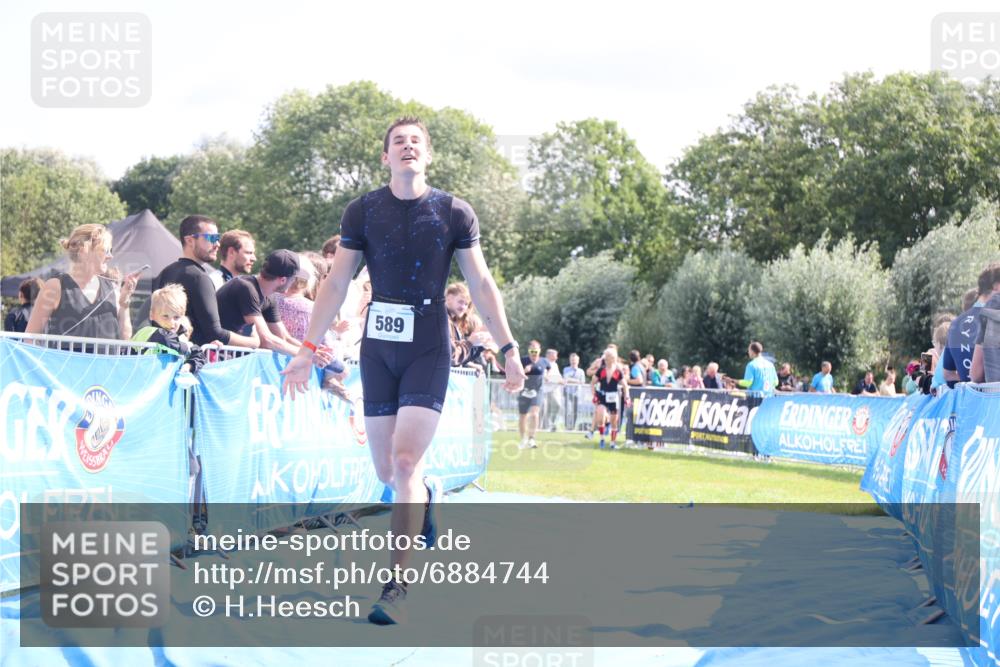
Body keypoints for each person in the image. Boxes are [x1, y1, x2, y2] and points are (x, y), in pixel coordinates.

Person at [280, 117, 525, 626]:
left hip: (428, 347)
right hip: (379, 349)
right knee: (387, 473)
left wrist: (508, 347)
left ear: (428, 155)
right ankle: (429, 495)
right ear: (385, 157)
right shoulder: (363, 210)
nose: (407, 146)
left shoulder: (454, 211)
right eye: (398, 142)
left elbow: (481, 283)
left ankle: (396, 584)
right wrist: (306, 348)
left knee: (407, 461)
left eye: (416, 141)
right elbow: (336, 283)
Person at [154, 215, 259, 349]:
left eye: (218, 238)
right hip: (192, 357)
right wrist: (254, 342)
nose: (217, 244)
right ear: (190, 240)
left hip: (163, 354)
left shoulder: (164, 272)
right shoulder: (199, 278)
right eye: (212, 238)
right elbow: (215, 333)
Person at [26, 224, 138, 345]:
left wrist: (124, 304)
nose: (110, 256)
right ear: (84, 251)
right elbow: (30, 338)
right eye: (105, 250)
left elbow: (126, 338)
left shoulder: (113, 289)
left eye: (110, 251)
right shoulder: (56, 287)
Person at [217, 249, 315, 357]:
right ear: (282, 280)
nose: (293, 282)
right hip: (215, 355)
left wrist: (312, 351)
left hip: (225, 355)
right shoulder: (246, 287)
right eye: (293, 279)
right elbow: (267, 340)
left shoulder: (269, 296)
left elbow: (284, 337)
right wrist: (306, 355)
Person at [943, 263, 1000, 386]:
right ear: (996, 286)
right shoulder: (993, 317)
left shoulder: (955, 324)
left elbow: (947, 374)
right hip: (994, 393)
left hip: (971, 395)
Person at [131, 284, 206, 374]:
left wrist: (189, 365)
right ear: (152, 315)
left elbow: (200, 354)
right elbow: (166, 339)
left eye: (176, 317)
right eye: (165, 316)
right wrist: (187, 347)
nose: (171, 322)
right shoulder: (147, 331)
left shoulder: (181, 338)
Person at [592, 348, 630, 449]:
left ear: (614, 358)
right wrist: (594, 395)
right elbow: (592, 383)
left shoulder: (618, 371)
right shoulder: (601, 370)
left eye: (610, 357)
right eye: (607, 357)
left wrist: (627, 397)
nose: (607, 359)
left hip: (613, 398)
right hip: (602, 396)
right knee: (600, 417)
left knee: (614, 422)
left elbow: (625, 385)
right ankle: (602, 439)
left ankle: (613, 443)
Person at [517, 342, 550, 448]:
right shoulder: (523, 360)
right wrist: (524, 371)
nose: (534, 353)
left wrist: (547, 376)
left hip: (537, 391)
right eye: (532, 351)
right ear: (529, 351)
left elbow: (549, 368)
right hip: (524, 390)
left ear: (539, 351)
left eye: (535, 351)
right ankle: (523, 439)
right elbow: (516, 374)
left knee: (535, 414)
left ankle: (532, 439)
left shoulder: (544, 361)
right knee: (523, 416)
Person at [562, 352, 587, 430]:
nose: (573, 361)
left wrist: (571, 380)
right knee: (567, 410)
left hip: (577, 394)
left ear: (578, 361)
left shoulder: (581, 371)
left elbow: (582, 382)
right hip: (567, 393)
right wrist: (577, 381)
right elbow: (565, 379)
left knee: (575, 410)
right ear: (570, 360)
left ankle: (572, 426)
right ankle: (567, 426)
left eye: (575, 360)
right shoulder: (566, 369)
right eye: (572, 360)